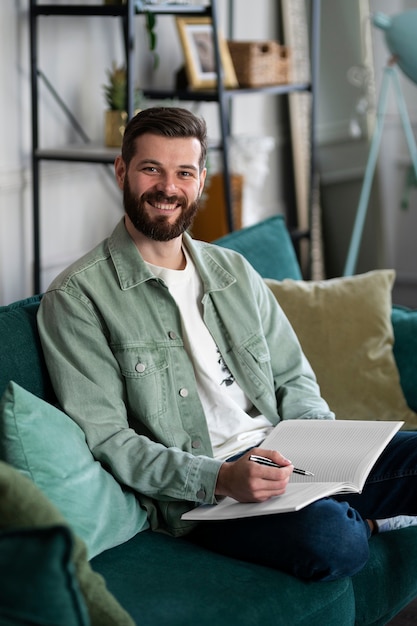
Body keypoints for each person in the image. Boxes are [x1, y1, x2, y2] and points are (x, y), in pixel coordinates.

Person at [37, 106, 417, 582]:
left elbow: (292, 375)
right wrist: (219, 478)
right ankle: (362, 519)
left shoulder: (233, 271)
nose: (168, 188)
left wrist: (320, 448)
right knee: (332, 541)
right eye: (151, 168)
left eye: (184, 172)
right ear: (122, 171)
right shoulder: (77, 297)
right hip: (207, 491)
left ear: (201, 181)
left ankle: (338, 500)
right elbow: (110, 440)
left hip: (287, 453)